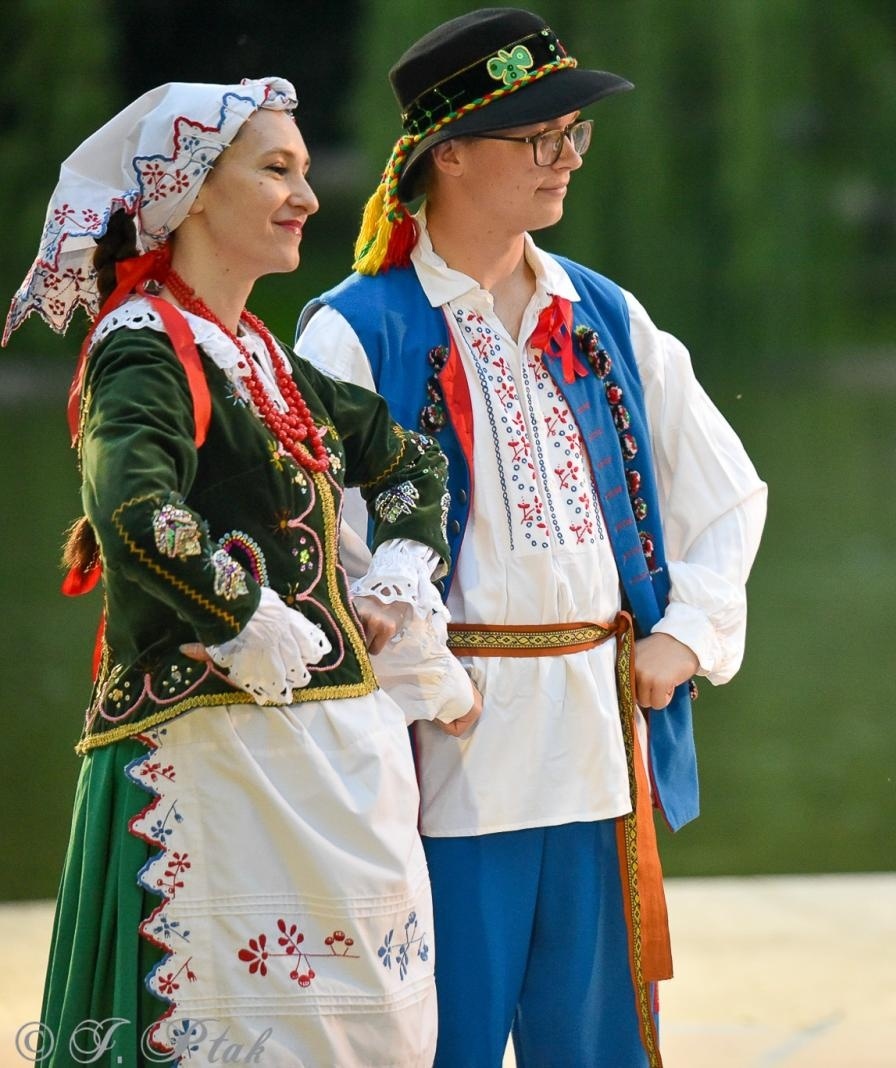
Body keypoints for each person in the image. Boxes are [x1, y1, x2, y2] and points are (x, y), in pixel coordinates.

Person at [295, 9, 767, 1066]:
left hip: (599, 743)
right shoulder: (357, 329)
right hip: (443, 761)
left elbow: (727, 496)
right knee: (440, 1040)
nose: (565, 159)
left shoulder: (602, 316)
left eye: (573, 135)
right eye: (537, 136)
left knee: (598, 1044)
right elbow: (331, 553)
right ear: (447, 152)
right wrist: (433, 686)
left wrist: (685, 636)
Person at [4, 79, 477, 1066]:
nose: (306, 195)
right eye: (275, 170)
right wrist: (241, 613)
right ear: (188, 194)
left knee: (361, 1026)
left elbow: (412, 461)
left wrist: (395, 574)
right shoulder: (143, 351)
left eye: (305, 172)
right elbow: (134, 511)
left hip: (327, 764)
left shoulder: (262, 354)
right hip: (216, 757)